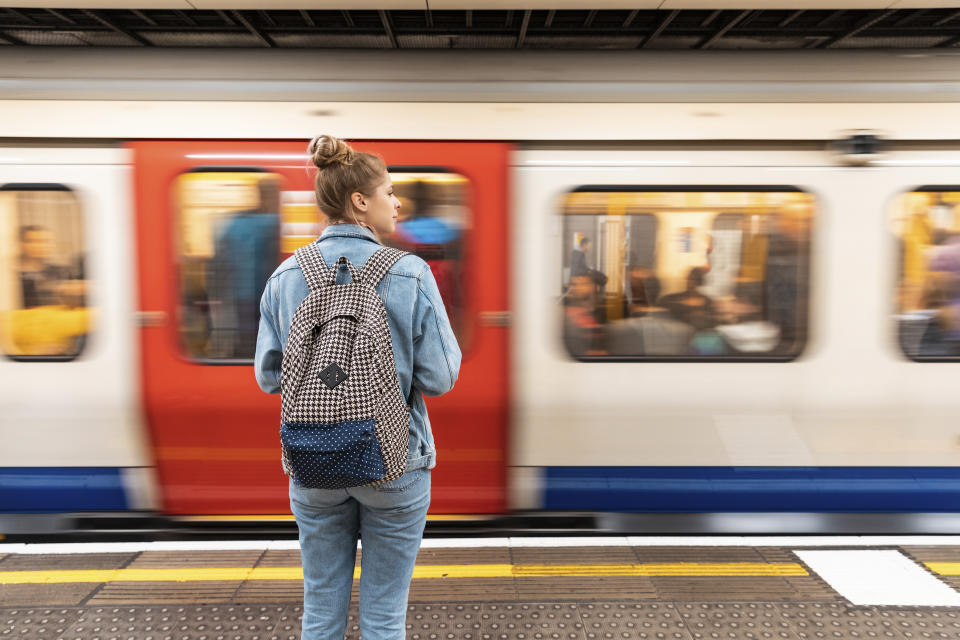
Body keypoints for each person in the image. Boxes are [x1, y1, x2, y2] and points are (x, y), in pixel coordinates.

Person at [254, 135, 461, 640]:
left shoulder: (285, 276)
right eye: (389, 192)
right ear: (360, 202)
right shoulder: (410, 272)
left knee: (321, 610)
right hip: (395, 463)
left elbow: (269, 376)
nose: (398, 202)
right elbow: (439, 377)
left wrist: (328, 383)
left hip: (313, 461)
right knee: (384, 617)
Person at [208, 178, 280, 358]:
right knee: (254, 343)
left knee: (251, 343)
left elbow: (218, 267)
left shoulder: (235, 224)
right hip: (250, 298)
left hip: (247, 297)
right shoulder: (271, 223)